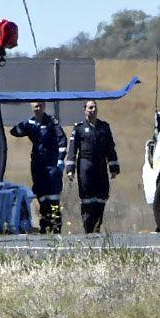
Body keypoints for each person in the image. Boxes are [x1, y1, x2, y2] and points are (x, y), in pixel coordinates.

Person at [10, 100, 66, 234]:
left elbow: (62, 140)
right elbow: (15, 131)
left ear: (45, 106)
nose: (38, 108)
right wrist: (25, 124)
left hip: (51, 166)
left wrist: (60, 160)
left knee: (53, 199)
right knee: (42, 198)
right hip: (38, 166)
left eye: (41, 106)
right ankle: (45, 228)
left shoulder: (52, 122)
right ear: (32, 108)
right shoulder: (31, 123)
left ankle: (56, 228)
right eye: (36, 106)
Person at [65, 100, 119, 234]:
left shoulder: (104, 127)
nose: (92, 110)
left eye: (94, 107)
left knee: (100, 198)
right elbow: (72, 150)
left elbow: (110, 148)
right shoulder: (79, 128)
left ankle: (97, 228)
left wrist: (113, 167)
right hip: (85, 166)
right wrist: (70, 170)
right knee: (87, 199)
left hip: (100, 166)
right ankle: (88, 229)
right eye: (90, 108)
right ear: (84, 110)